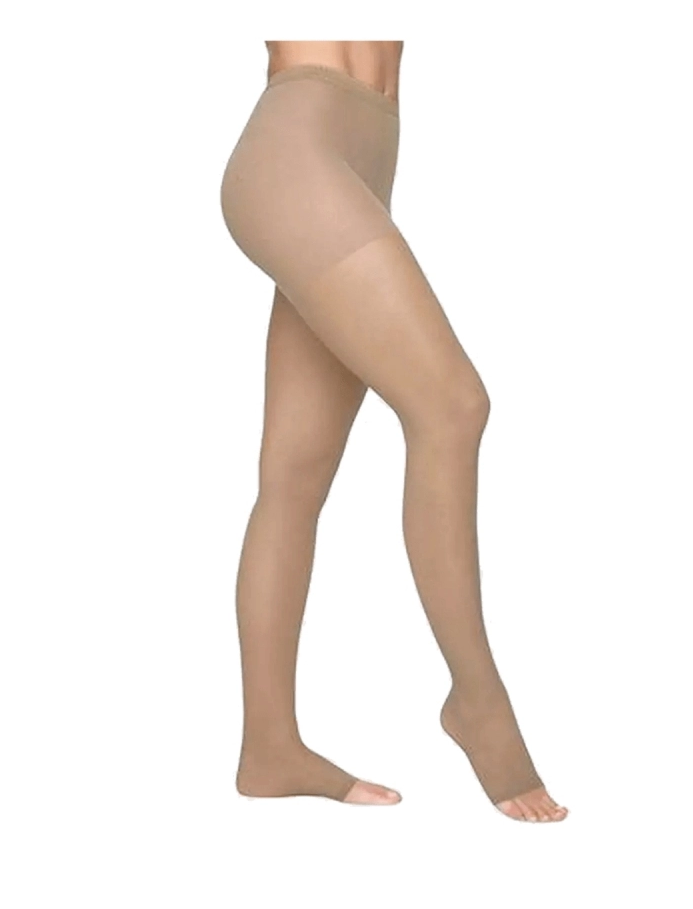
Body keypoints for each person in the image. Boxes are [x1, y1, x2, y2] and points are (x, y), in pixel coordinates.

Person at [219, 41, 568, 823]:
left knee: (293, 476)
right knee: (452, 407)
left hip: (359, 155)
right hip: (297, 152)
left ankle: (268, 748)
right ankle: (478, 702)